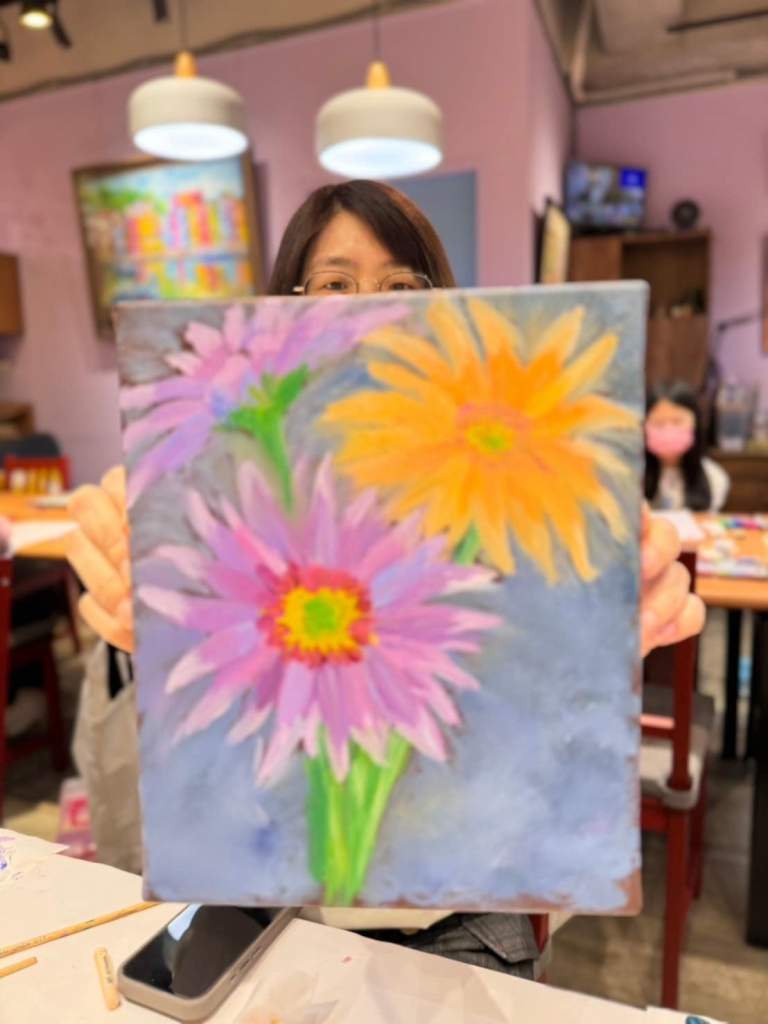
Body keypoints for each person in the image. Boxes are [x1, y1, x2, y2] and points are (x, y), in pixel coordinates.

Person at [66, 180, 705, 978]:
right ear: (283, 308)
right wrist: (152, 653)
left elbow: (545, 812)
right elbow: (162, 806)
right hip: (263, 917)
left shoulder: (502, 500)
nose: (366, 307)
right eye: (334, 282)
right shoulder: (218, 503)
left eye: (402, 283)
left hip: (461, 923)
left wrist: (597, 670)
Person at [645, 378, 730, 512]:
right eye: (659, 423)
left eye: (677, 422)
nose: (668, 431)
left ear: (695, 424)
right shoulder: (630, 476)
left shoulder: (714, 478)